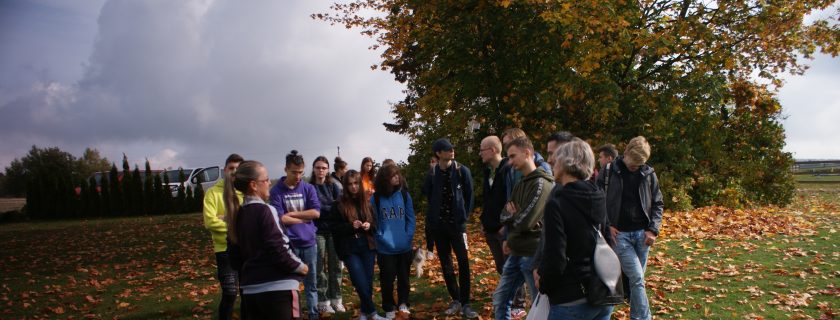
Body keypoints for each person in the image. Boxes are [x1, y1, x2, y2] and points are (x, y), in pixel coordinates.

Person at [537, 138, 615, 320]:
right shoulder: (598, 195)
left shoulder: (557, 204)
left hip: (570, 298)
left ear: (566, 163)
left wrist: (544, 286)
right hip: (602, 292)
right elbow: (608, 240)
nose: (551, 163)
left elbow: (556, 256)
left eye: (555, 159)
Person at [224, 160, 309, 320]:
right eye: (266, 179)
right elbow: (278, 247)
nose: (270, 183)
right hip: (278, 291)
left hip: (250, 292)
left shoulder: (235, 216)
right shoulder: (266, 211)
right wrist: (300, 267)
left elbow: (234, 258)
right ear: (253, 185)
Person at [596, 136, 664, 320]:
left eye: (640, 164)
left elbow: (658, 204)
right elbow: (597, 202)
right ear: (625, 153)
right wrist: (607, 226)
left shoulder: (648, 174)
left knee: (637, 281)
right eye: (633, 163)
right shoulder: (608, 172)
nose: (636, 167)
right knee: (636, 278)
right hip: (620, 235)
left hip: (643, 234)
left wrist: (653, 229)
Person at [492, 137, 554, 320]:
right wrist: (512, 221)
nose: (510, 162)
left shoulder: (542, 183)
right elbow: (504, 215)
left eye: (512, 156)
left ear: (527, 153)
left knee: (539, 306)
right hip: (515, 251)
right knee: (500, 299)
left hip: (532, 254)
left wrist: (513, 216)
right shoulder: (520, 184)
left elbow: (526, 220)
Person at [422, 138, 478, 318]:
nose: (452, 151)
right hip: (439, 226)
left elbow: (469, 195)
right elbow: (428, 195)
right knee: (446, 263)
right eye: (447, 149)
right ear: (438, 153)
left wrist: (464, 216)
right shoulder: (432, 174)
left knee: (463, 261)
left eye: (452, 148)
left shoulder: (462, 171)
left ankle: (466, 302)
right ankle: (455, 299)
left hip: (457, 226)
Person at [269, 150, 322, 320]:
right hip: (289, 244)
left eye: (301, 172)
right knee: (290, 285)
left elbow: (316, 213)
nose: (298, 176)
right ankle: (295, 315)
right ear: (286, 169)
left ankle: (313, 315)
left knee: (311, 283)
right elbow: (280, 218)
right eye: (294, 172)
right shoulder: (276, 190)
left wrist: (293, 216)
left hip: (309, 243)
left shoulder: (308, 188)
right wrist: (302, 216)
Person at [328, 170, 388, 320]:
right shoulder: (338, 204)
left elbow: (375, 223)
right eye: (350, 184)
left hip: (367, 245)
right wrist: (351, 226)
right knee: (359, 281)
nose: (353, 187)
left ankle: (363, 313)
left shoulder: (366, 202)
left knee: (367, 282)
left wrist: (369, 225)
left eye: (356, 183)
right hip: (349, 248)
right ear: (345, 185)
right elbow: (334, 228)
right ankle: (373, 313)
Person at [479, 136, 526, 317]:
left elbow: (510, 199)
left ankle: (518, 303)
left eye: (482, 149)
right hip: (490, 228)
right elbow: (487, 199)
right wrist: (484, 221)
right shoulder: (487, 171)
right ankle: (509, 298)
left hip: (503, 228)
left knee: (511, 266)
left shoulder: (508, 170)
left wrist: (505, 225)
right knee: (501, 266)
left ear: (492, 150)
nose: (480, 153)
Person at [203, 153, 244, 320]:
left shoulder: (246, 192)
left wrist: (225, 218)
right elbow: (210, 222)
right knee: (230, 292)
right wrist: (236, 225)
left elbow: (252, 219)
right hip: (223, 249)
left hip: (245, 248)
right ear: (225, 170)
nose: (234, 172)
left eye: (238, 169)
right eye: (231, 168)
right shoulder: (212, 193)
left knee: (247, 290)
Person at [372, 164, 416, 319]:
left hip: (404, 246)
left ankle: (403, 303)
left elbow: (411, 219)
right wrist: (382, 238)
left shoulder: (404, 195)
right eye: (393, 175)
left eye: (398, 174)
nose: (397, 177)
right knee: (387, 280)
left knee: (404, 278)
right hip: (385, 249)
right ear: (385, 179)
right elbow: (374, 223)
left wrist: (407, 236)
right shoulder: (375, 198)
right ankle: (389, 306)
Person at [310, 156, 346, 314]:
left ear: (327, 169)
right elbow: (313, 209)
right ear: (313, 169)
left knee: (336, 266)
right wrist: (325, 207)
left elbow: (339, 205)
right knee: (319, 267)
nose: (321, 170)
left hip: (334, 230)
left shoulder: (333, 186)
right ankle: (323, 300)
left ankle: (336, 299)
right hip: (317, 231)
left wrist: (322, 208)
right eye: (318, 167)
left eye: (324, 168)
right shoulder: (309, 187)